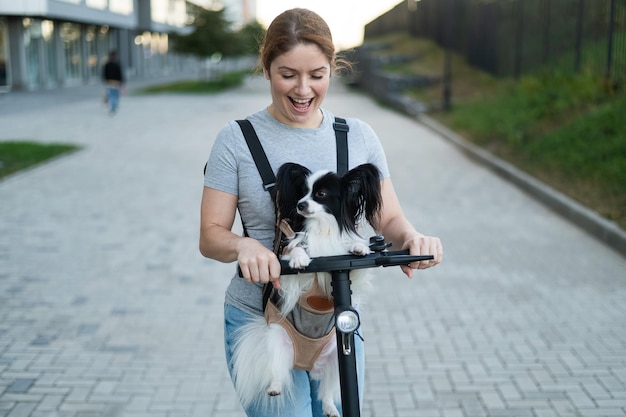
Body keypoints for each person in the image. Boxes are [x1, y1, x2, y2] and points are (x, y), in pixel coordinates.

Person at [199, 8, 443, 416]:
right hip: (263, 319)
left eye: (317, 74)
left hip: (335, 318)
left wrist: (414, 238)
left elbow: (389, 219)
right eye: (287, 74)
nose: (303, 89)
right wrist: (243, 246)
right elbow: (210, 234)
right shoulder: (236, 140)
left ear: (333, 68)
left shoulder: (358, 136)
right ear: (266, 68)